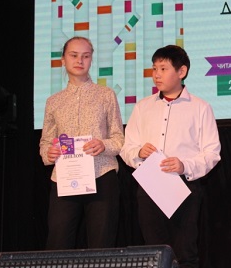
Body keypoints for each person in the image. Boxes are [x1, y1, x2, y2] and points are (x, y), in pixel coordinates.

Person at [120, 45, 221, 268]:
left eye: (163, 69)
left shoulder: (200, 108)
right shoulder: (143, 107)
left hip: (184, 187)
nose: (157, 74)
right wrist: (138, 153)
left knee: (184, 253)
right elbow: (126, 148)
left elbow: (212, 153)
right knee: (153, 254)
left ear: (181, 71)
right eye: (154, 68)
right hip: (150, 186)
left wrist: (184, 165)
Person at [39, 36, 124, 249]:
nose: (80, 60)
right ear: (63, 60)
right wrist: (48, 153)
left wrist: (103, 145)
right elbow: (46, 141)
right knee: (58, 242)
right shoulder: (53, 101)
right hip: (65, 178)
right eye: (74, 55)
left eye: (86, 56)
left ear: (91, 60)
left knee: (101, 244)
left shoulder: (106, 95)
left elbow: (119, 138)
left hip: (101, 174)